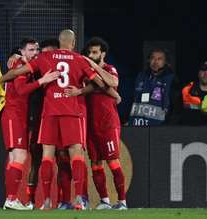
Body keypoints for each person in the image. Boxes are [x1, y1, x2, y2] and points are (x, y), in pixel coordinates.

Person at [1, 29, 108, 210]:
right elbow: (101, 84)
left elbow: (17, 72)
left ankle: (46, 202)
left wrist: (4, 77)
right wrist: (80, 91)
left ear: (59, 42)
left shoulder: (46, 57)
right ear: (73, 43)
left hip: (49, 112)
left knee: (46, 157)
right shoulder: (79, 59)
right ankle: (80, 199)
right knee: (76, 156)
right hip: (72, 112)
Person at [65, 37, 126, 210]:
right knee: (96, 163)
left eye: (95, 52)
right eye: (89, 52)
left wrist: (95, 67)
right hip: (90, 124)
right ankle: (105, 201)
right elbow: (96, 85)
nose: (91, 55)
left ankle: (122, 201)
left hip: (108, 123)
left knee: (113, 161)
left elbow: (112, 84)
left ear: (103, 54)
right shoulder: (85, 72)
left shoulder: (109, 69)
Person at [1, 38, 59, 210]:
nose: (35, 53)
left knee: (14, 159)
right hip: (14, 116)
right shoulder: (20, 65)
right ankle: (11, 199)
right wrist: (43, 80)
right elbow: (20, 90)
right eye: (31, 50)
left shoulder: (26, 65)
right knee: (20, 157)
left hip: (18, 116)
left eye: (37, 50)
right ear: (22, 51)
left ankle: (10, 199)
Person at [128, 48, 182, 126]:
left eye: (159, 59)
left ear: (166, 62)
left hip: (159, 129)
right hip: (137, 126)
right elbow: (132, 99)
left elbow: (177, 108)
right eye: (153, 58)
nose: (155, 61)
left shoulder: (171, 79)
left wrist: (169, 127)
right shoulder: (141, 76)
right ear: (149, 60)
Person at [181, 60, 207, 125]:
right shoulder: (187, 90)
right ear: (198, 73)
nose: (206, 73)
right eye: (203, 70)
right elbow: (177, 114)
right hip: (191, 131)